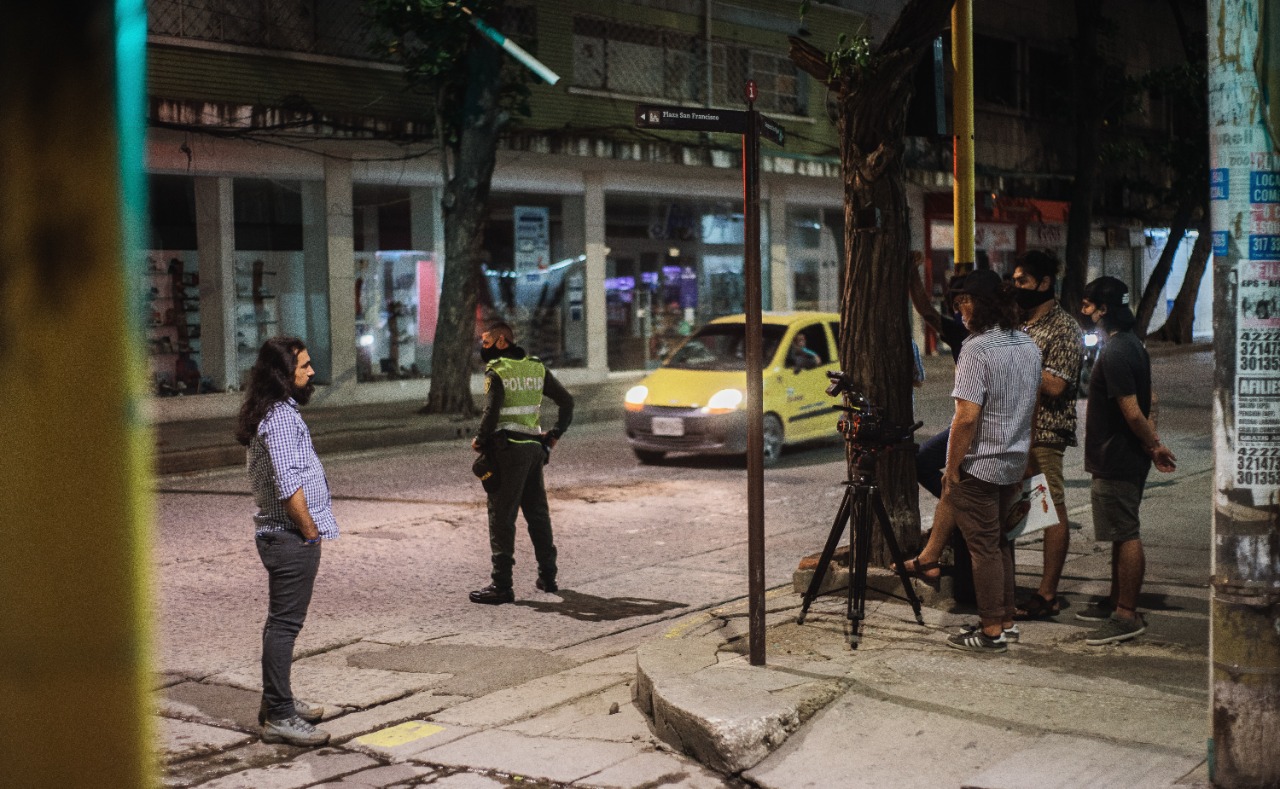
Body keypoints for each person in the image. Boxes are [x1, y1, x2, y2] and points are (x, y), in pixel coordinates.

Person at [916, 270, 1042, 652]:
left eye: (964, 302)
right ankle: (1004, 620)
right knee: (1000, 543)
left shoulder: (975, 349)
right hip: (1012, 460)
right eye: (957, 305)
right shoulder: (1027, 344)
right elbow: (1033, 407)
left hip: (982, 462)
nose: (960, 311)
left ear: (981, 303)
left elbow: (966, 416)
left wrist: (952, 470)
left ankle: (990, 632)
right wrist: (1027, 456)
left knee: (984, 548)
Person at [234, 337, 334, 747]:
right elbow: (288, 484)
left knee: (281, 624)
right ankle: (279, 715)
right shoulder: (279, 418)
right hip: (289, 536)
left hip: (285, 535)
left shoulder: (277, 412)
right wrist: (310, 532)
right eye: (304, 366)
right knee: (284, 626)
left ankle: (279, 700)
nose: (311, 372)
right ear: (282, 374)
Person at [1076, 277, 1177, 645]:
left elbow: (1133, 412)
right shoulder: (1133, 345)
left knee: (1126, 533)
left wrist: (1154, 445)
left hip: (1116, 457)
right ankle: (1117, 601)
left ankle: (1126, 614)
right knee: (1121, 533)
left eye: (1088, 305)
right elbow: (1152, 397)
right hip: (1125, 456)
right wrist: (1151, 444)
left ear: (1103, 310)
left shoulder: (1116, 351)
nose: (1084, 311)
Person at [469, 321, 575, 605]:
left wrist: (479, 440)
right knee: (537, 514)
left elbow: (492, 411)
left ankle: (501, 585)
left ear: (503, 342)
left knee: (501, 516)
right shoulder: (536, 367)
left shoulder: (498, 371)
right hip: (533, 450)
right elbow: (567, 402)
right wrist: (554, 434)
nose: (484, 347)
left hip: (507, 451)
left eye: (487, 341)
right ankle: (548, 576)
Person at [1009, 251, 1084, 620]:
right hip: (1011, 429)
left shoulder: (1064, 328)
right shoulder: (1019, 323)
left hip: (1045, 432)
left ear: (1044, 283)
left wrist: (1016, 362)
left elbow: (1055, 385)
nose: (1016, 286)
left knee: (1051, 508)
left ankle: (1048, 593)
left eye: (1023, 280)